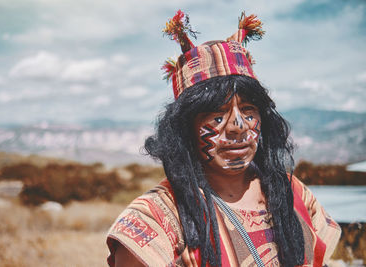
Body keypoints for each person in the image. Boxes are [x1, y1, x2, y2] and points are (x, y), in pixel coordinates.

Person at [106, 10, 341, 267]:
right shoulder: (157, 216)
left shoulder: (292, 192)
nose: (238, 126)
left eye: (249, 111)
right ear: (185, 128)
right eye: (217, 115)